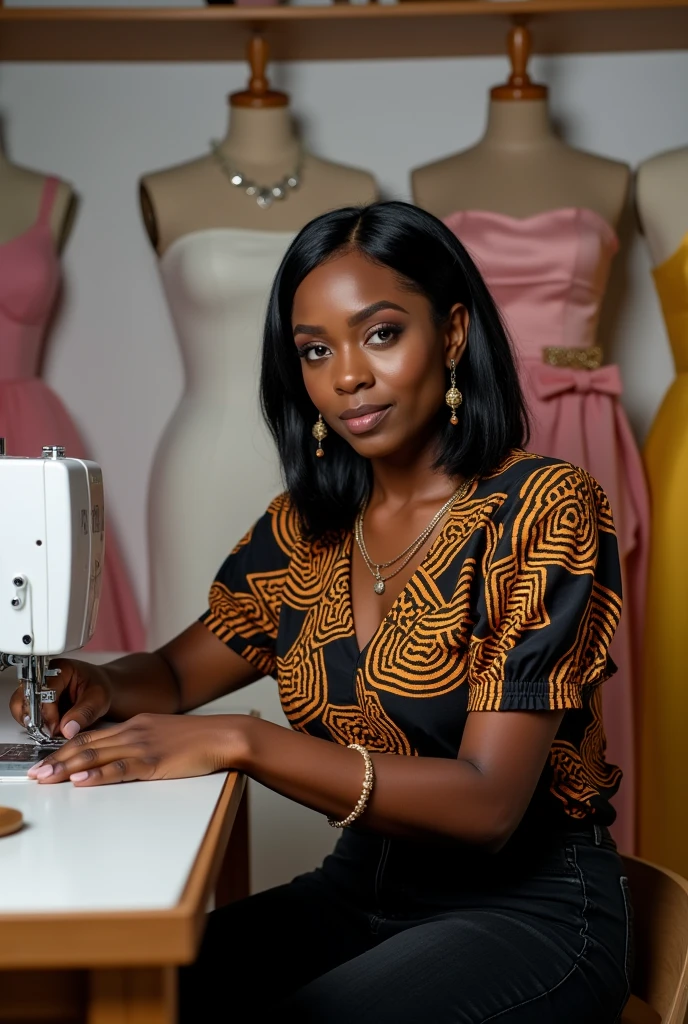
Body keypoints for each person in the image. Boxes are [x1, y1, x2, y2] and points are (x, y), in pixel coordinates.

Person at [13, 202, 632, 1023]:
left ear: (452, 334)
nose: (347, 376)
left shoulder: (541, 508)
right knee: (103, 998)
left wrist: (245, 741)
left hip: (529, 912)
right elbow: (169, 672)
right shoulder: (307, 532)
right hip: (357, 894)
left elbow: (487, 805)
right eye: (315, 350)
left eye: (380, 334)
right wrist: (93, 683)